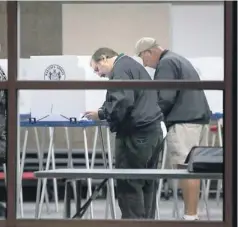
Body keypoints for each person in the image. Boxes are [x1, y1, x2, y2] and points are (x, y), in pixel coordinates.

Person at [84, 47, 166, 219]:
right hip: (153, 131)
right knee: (147, 183)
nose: (98, 75)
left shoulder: (120, 70)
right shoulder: (133, 66)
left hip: (135, 134)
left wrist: (102, 113)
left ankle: (133, 223)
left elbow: (122, 101)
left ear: (105, 58)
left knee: (129, 182)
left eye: (97, 69)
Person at [135, 37, 211, 221]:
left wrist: (147, 117)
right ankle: (193, 214)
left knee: (186, 169)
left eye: (143, 59)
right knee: (195, 169)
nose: (146, 65)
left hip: (183, 122)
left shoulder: (166, 64)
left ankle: (190, 217)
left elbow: (165, 98)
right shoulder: (178, 59)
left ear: (149, 52)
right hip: (198, 120)